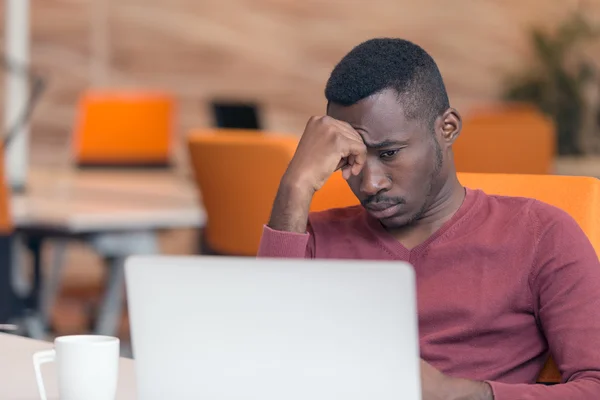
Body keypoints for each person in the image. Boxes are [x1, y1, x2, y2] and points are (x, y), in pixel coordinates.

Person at [257, 38, 600, 400]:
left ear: (447, 128)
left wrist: (462, 393)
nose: (370, 183)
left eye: (388, 153)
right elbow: (256, 363)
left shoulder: (540, 233)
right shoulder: (311, 238)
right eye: (349, 159)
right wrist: (295, 186)